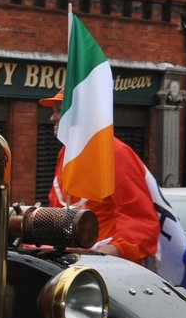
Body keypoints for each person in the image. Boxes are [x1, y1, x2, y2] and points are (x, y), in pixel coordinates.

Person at [41, 91, 160, 264]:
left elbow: (138, 217)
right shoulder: (65, 152)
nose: (53, 117)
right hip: (67, 261)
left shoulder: (114, 153)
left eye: (59, 111)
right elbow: (57, 208)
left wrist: (116, 250)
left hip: (105, 268)